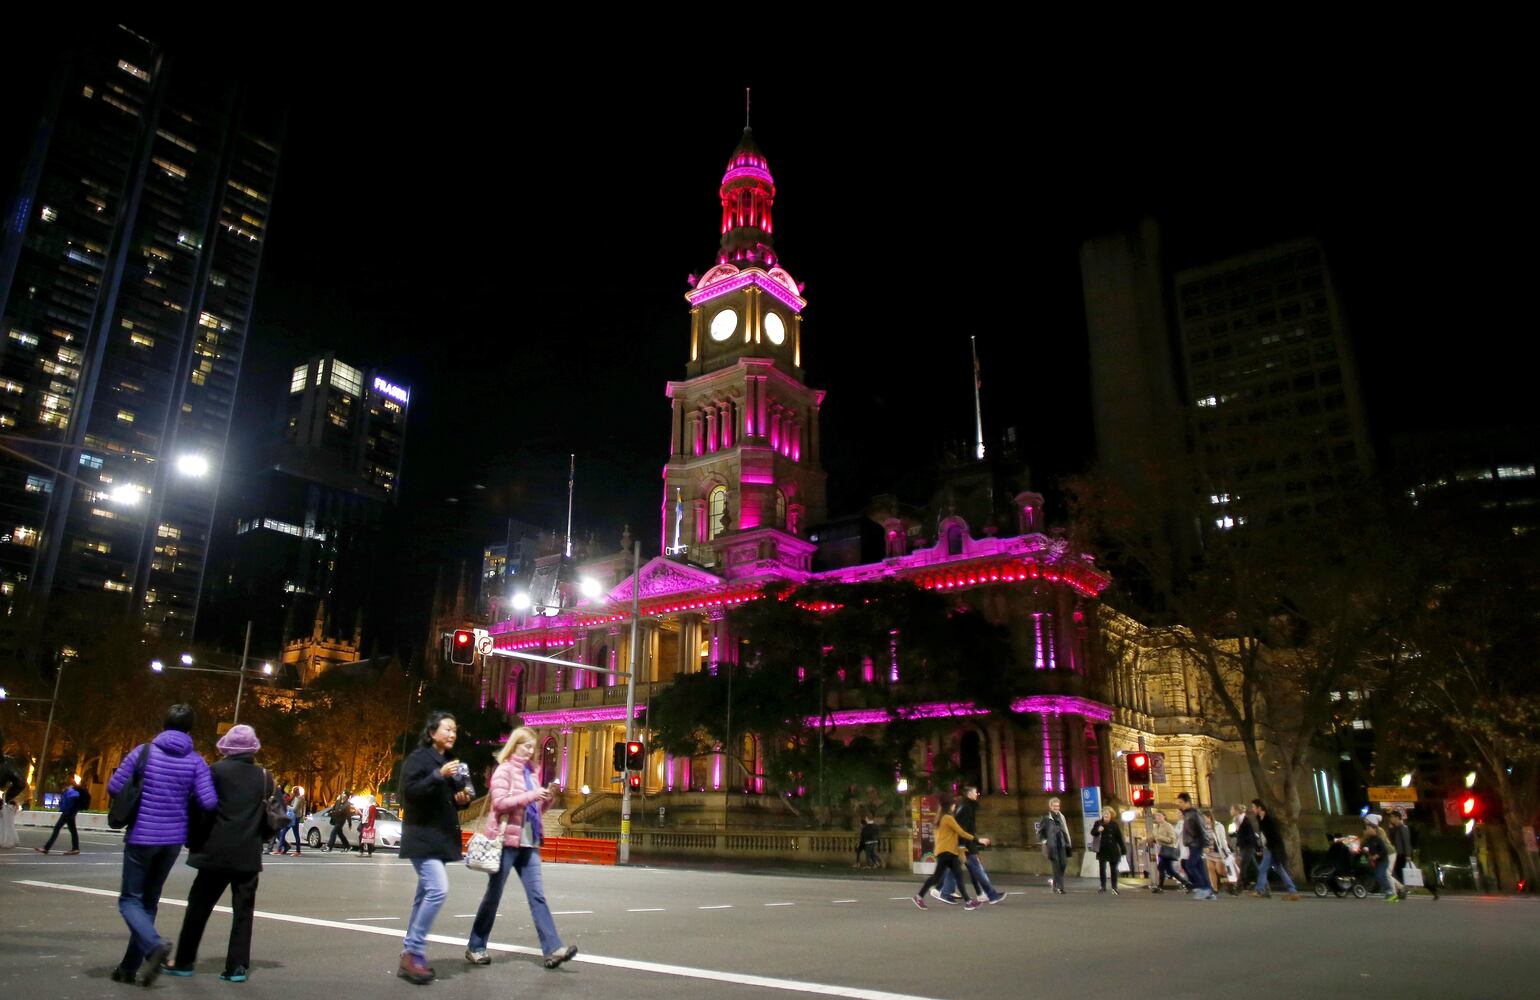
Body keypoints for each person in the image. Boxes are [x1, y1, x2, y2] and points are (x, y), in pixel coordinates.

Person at [106, 704, 218, 986]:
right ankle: (129, 967)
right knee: (149, 901)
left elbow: (115, 787)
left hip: (142, 834)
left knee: (130, 899)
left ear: (164, 723)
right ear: (190, 729)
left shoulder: (143, 752)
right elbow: (209, 802)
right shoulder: (195, 761)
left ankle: (153, 945)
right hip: (172, 839)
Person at [162, 725, 272, 983]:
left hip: (215, 851)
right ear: (253, 748)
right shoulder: (264, 777)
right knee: (243, 912)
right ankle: (237, 967)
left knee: (198, 908)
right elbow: (269, 818)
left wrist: (193, 840)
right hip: (247, 854)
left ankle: (184, 960)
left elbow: (200, 808)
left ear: (227, 747)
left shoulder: (215, 772)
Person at [464, 726, 579, 970]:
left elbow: (533, 812)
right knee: (493, 896)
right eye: (526, 746)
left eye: (532, 747)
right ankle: (476, 946)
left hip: (528, 842)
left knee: (537, 896)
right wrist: (530, 795)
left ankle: (552, 950)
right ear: (514, 745)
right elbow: (501, 803)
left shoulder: (532, 772)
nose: (530, 751)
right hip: (506, 842)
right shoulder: (503, 770)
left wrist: (546, 800)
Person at [397, 711, 473, 984]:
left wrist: (461, 798)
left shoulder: (449, 762)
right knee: (438, 890)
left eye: (454, 730)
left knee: (424, 896)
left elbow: (449, 798)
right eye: (447, 729)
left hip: (438, 838)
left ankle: (409, 952)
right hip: (422, 837)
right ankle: (413, 952)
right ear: (431, 733)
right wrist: (437, 775)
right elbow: (411, 793)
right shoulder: (419, 760)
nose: (452, 734)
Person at [913, 797, 990, 909]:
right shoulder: (948, 818)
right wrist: (978, 840)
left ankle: (968, 902)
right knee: (938, 877)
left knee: (956, 876)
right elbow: (961, 832)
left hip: (945, 852)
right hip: (947, 852)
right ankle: (919, 897)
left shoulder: (939, 819)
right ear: (949, 807)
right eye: (954, 805)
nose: (955, 807)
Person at [936, 786, 1005, 904]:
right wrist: (970, 843)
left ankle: (945, 892)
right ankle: (991, 895)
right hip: (964, 845)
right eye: (974, 792)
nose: (977, 794)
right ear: (969, 794)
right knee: (976, 869)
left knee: (958, 868)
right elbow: (963, 829)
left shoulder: (965, 806)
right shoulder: (967, 808)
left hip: (962, 844)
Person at [1251, 799, 1301, 900]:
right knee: (1280, 869)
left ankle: (1259, 890)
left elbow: (1274, 836)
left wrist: (1266, 847)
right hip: (1268, 848)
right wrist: (1261, 847)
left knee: (1262, 868)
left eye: (1253, 807)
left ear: (1259, 808)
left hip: (1272, 848)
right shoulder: (1260, 819)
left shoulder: (1269, 819)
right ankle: (1292, 891)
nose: (1252, 809)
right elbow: (1263, 835)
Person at [1389, 809, 1435, 899]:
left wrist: (1408, 855)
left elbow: (1406, 842)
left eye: (1392, 817)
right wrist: (1391, 829)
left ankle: (1431, 888)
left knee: (1407, 875)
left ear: (1397, 818)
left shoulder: (1403, 828)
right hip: (1398, 854)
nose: (1391, 819)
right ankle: (1402, 892)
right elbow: (1392, 839)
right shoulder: (1396, 828)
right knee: (1400, 874)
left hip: (1403, 855)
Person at [1177, 793, 1215, 900]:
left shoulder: (1194, 814)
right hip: (1192, 844)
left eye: (1181, 802)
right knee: (1200, 867)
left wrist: (1206, 844)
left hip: (1197, 843)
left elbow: (1202, 829)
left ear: (1187, 802)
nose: (1180, 805)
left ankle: (1203, 888)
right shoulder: (1188, 814)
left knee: (1190, 865)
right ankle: (1209, 890)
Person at [1036, 796, 1073, 895]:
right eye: (1054, 806)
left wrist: (1068, 842)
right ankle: (1060, 888)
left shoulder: (1062, 817)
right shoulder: (1046, 819)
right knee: (1056, 866)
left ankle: (1055, 883)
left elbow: (1065, 830)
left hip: (1062, 845)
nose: (1056, 807)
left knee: (1063, 864)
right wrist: (1045, 841)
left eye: (1058, 806)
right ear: (1050, 807)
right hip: (1052, 846)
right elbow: (1040, 832)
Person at [38, 779, 84, 855]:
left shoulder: (71, 792)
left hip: (67, 813)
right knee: (73, 830)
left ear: (68, 785)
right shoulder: (71, 792)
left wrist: (66, 809)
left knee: (57, 828)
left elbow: (69, 802)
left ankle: (46, 848)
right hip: (69, 813)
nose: (62, 788)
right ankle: (76, 848)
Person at [1150, 811, 1189, 893]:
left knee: (1160, 867)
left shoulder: (1168, 826)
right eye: (1156, 816)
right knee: (1170, 870)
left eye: (1160, 815)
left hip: (1168, 849)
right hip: (1161, 850)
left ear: (1164, 817)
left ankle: (1160, 887)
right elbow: (1152, 837)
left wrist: (1160, 838)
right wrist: (1144, 841)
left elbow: (1172, 839)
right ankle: (1186, 883)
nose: (1158, 817)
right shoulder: (1156, 827)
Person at [1361, 817, 1398, 902]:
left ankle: (1391, 893)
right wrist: (1366, 850)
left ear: (1373, 829)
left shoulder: (1378, 838)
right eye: (1366, 829)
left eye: (1368, 828)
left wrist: (1376, 856)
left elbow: (1384, 850)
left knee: (1381, 875)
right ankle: (1389, 893)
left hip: (1383, 861)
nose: (1367, 830)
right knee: (1379, 876)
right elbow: (1364, 846)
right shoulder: (1370, 839)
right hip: (1377, 862)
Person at [1091, 806, 1125, 894]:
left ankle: (1114, 887)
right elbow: (1093, 832)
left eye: (1108, 814)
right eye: (1104, 813)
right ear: (1102, 814)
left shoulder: (1114, 824)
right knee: (1102, 868)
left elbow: (1119, 838)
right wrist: (1098, 830)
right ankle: (1103, 886)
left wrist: (1123, 848)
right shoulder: (1098, 823)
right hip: (1102, 850)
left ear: (1111, 815)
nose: (1106, 815)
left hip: (1113, 850)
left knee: (1113, 869)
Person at [0, 737, 25, 850]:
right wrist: (8, 796)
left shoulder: (7, 763)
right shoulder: (8, 763)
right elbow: (20, 782)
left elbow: (20, 782)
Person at [1201, 809, 1233, 896]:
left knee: (1220, 871)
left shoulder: (1218, 826)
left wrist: (1227, 851)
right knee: (1211, 870)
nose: (1203, 820)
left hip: (1218, 852)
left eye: (1204, 818)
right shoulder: (1203, 827)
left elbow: (1223, 840)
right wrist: (1204, 848)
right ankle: (1214, 889)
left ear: (1209, 817)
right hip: (1209, 852)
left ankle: (1229, 883)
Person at [1232, 802, 1263, 888]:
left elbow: (1251, 835)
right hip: (1244, 847)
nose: (1230, 811)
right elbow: (1239, 836)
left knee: (1243, 865)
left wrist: (1257, 848)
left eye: (1232, 809)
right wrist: (1238, 846)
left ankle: (1239, 886)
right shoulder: (1236, 820)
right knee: (1254, 867)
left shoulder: (1245, 821)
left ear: (1237, 811)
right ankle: (1263, 885)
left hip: (1248, 847)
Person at [280, 785, 306, 856]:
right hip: (295, 817)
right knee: (293, 833)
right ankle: (293, 850)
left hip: (294, 818)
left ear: (296, 791)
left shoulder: (299, 798)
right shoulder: (298, 798)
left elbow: (294, 809)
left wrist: (287, 806)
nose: (292, 792)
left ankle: (295, 851)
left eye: (294, 791)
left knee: (285, 832)